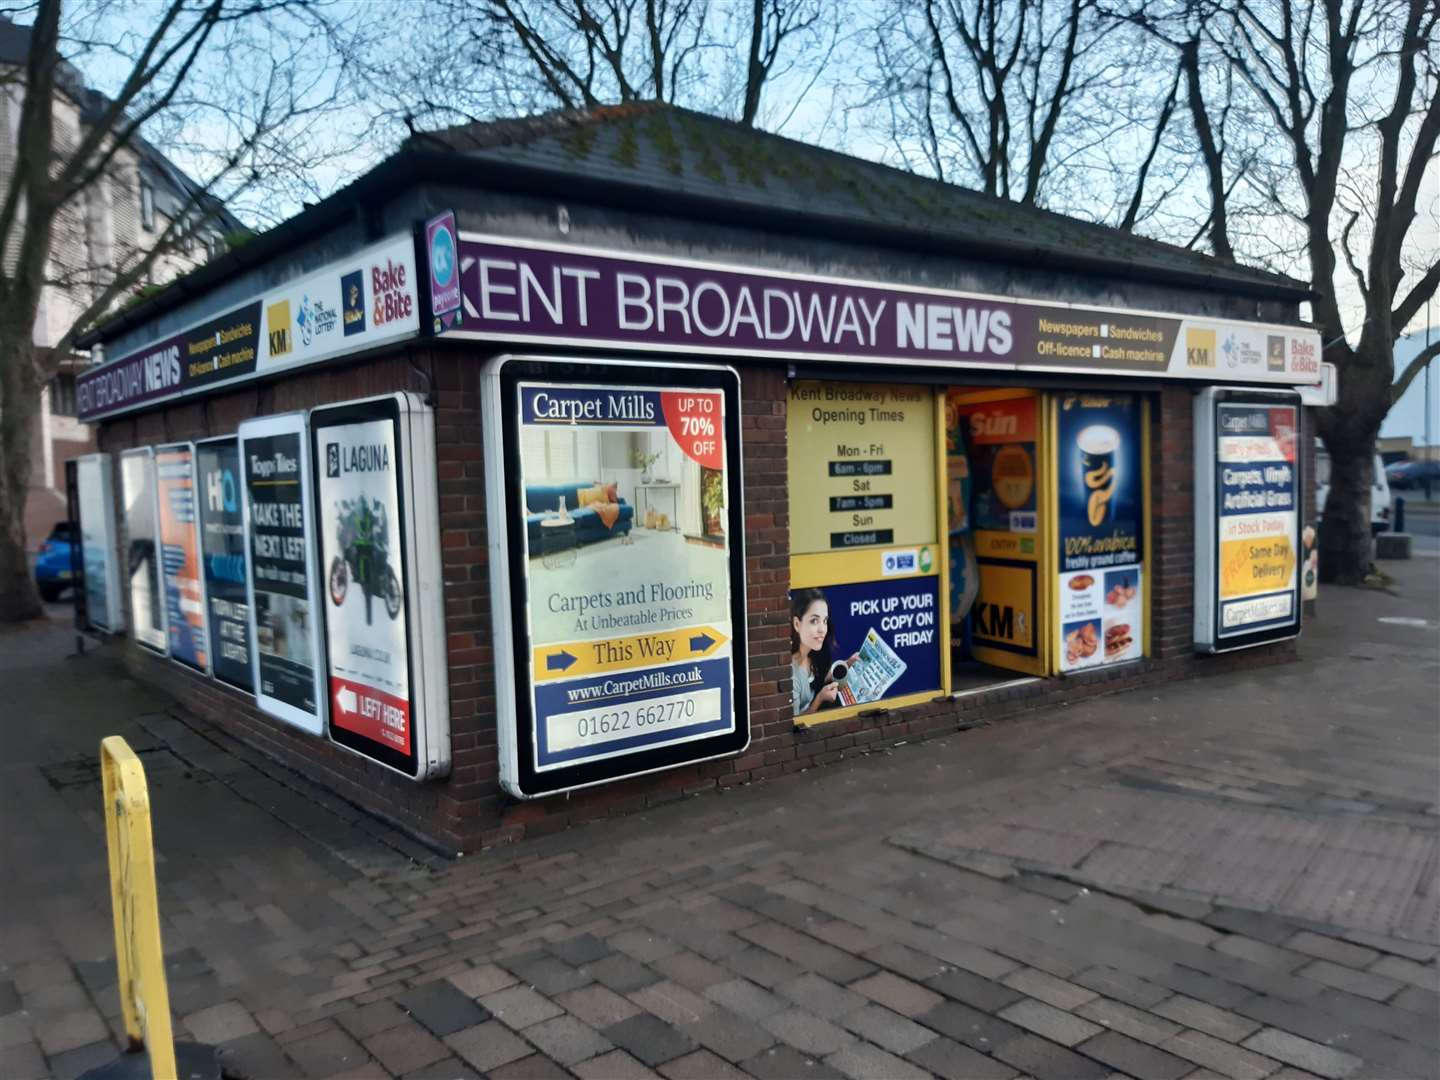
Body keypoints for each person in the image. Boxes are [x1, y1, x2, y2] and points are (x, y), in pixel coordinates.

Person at [791, 589, 838, 716]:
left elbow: (819, 679)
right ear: (797, 624)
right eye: (814, 621)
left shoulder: (813, 655)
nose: (822, 629)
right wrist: (819, 699)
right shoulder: (792, 674)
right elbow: (792, 726)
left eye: (825, 621)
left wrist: (846, 667)